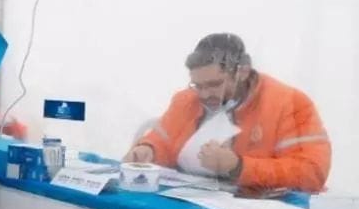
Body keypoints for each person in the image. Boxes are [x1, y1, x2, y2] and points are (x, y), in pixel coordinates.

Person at [125, 33, 330, 192]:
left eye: (215, 84)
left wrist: (238, 167)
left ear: (242, 72)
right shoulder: (186, 100)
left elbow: (312, 173)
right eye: (197, 85)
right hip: (193, 205)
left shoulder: (290, 104)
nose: (204, 94)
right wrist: (148, 150)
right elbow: (163, 142)